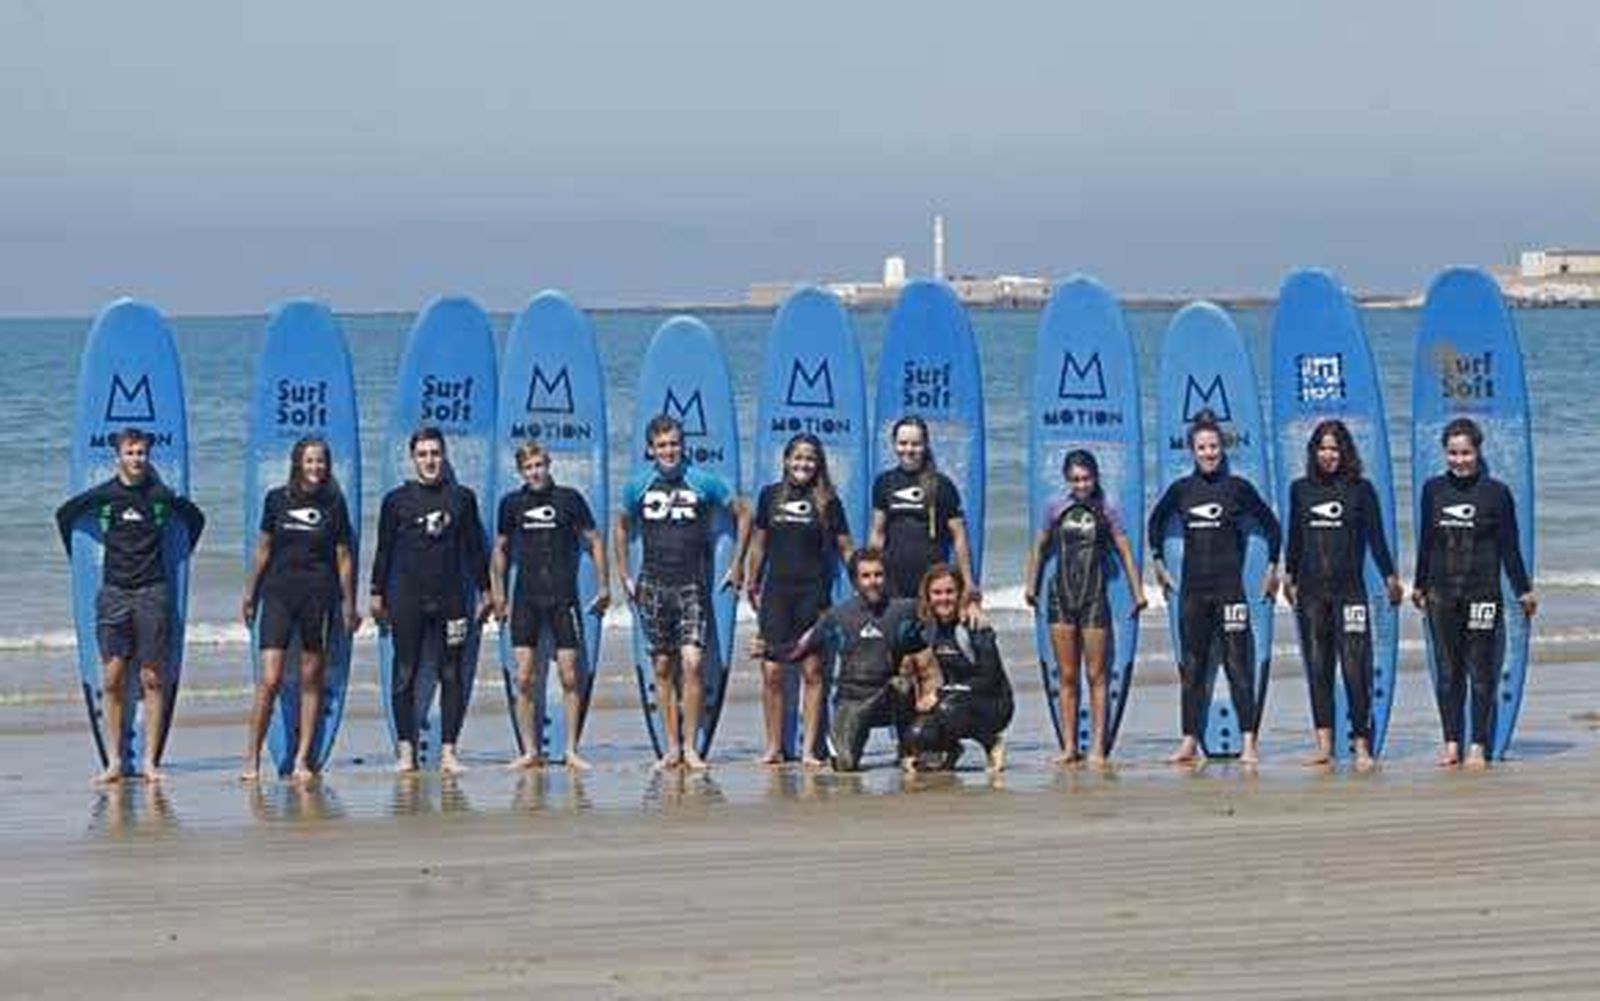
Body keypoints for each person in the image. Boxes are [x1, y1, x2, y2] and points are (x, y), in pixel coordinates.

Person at [55, 427, 205, 784]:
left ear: (147, 456)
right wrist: (76, 558)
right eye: (130, 452)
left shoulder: (159, 495)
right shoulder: (105, 495)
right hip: (114, 593)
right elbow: (65, 515)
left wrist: (183, 555)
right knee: (112, 678)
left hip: (152, 591)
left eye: (141, 453)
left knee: (152, 677)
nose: (136, 458)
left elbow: (195, 519)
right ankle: (114, 762)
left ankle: (151, 762)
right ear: (119, 456)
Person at [615, 414, 751, 772]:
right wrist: (624, 574)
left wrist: (737, 563)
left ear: (683, 445)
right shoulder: (638, 486)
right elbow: (621, 526)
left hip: (692, 585)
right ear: (651, 449)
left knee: (692, 664)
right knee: (662, 666)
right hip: (653, 584)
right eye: (662, 445)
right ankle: (671, 747)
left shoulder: (703, 481)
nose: (669, 450)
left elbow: (743, 513)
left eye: (674, 443)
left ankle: (691, 748)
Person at [1147, 410, 1281, 766]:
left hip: (1230, 592)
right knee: (1192, 668)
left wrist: (1272, 569)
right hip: (1193, 592)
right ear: (1192, 451)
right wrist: (1158, 564)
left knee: (1239, 665)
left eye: (1213, 446)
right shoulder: (1181, 490)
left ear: (1222, 448)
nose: (1209, 453)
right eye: (1202, 447)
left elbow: (1271, 525)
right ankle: (1189, 742)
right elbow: (1155, 522)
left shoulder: (1237, 489)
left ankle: (1249, 743)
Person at [1413, 417, 1536, 771]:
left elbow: (1509, 547)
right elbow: (1426, 542)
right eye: (1453, 453)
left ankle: (1478, 746)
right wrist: (1419, 584)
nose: (1459, 460)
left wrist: (1523, 590)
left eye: (1465, 453)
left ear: (1478, 452)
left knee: (1481, 672)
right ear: (1445, 453)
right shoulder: (1433, 490)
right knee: (1448, 671)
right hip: (1441, 594)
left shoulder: (1496, 493)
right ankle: (1452, 744)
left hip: (1483, 594)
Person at [369, 427, 491, 775]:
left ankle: (449, 752)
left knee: (451, 673)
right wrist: (376, 592)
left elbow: (474, 550)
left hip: (452, 600)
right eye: (422, 454)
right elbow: (384, 550)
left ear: (444, 456)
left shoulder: (462, 498)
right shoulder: (396, 501)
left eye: (435, 453)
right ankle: (406, 752)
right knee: (404, 673)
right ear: (413, 459)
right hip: (407, 599)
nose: (430, 460)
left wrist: (486, 591)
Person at [1283, 420, 1402, 771]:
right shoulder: (1300, 489)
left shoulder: (1361, 490)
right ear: (1314, 452)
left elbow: (1376, 537)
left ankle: (1362, 745)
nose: (1328, 454)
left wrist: (1390, 576)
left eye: (1334, 448)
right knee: (1318, 667)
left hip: (1351, 594)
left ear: (1345, 451)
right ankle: (1324, 745)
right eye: (1322, 448)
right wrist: (1289, 575)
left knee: (1355, 667)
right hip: (1311, 593)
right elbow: (1295, 537)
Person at [240, 437, 359, 784]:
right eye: (309, 461)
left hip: (319, 599)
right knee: (270, 679)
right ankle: (251, 758)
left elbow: (344, 557)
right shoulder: (276, 499)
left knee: (311, 679)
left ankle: (302, 759)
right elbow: (263, 549)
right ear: (297, 463)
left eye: (320, 461)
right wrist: (250, 593)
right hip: (278, 595)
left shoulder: (334, 503)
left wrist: (349, 603)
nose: (315, 467)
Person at [490, 442, 609, 771]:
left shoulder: (569, 499)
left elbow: (595, 540)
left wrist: (603, 586)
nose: (535, 472)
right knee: (524, 677)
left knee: (570, 676)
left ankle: (570, 750)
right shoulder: (511, 504)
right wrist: (498, 593)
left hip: (563, 598)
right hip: (525, 598)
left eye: (539, 465)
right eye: (528, 467)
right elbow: (500, 549)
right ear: (521, 471)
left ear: (548, 464)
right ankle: (530, 751)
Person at [1024, 449, 1147, 767]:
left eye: (1086, 478)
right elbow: (1039, 547)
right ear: (1067, 480)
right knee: (1067, 675)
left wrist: (1138, 593)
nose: (1081, 484)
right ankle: (1068, 747)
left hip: (1094, 599)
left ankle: (1096, 747)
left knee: (1096, 675)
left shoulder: (1107, 510)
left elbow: (1125, 551)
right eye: (1075, 479)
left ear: (1095, 477)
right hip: (1060, 598)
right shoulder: (1055, 508)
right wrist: (1031, 585)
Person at [744, 433, 853, 767]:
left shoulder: (828, 501)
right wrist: (751, 579)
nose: (803, 464)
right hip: (776, 594)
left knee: (813, 671)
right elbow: (759, 542)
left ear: (818, 464)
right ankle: (774, 747)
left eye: (810, 458)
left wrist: (864, 582)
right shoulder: (770, 495)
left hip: (813, 593)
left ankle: (809, 749)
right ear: (786, 460)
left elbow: (845, 547)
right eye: (798, 457)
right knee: (772, 672)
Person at [770, 548, 924, 772]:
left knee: (903, 686)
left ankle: (907, 748)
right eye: (866, 576)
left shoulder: (904, 610)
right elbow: (800, 649)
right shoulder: (838, 615)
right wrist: (770, 651)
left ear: (886, 577)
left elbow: (938, 624)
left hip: (888, 696)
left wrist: (970, 605)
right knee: (844, 765)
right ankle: (846, 740)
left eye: (878, 575)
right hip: (852, 700)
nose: (873, 582)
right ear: (855, 581)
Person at [903, 565, 1014, 773]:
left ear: (960, 593)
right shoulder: (932, 627)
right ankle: (951, 750)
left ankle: (991, 742)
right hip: (956, 699)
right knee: (917, 733)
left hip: (994, 703)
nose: (943, 598)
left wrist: (940, 693)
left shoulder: (974, 626)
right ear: (928, 596)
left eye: (949, 592)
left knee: (947, 709)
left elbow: (989, 679)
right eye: (937, 593)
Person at [868, 415, 979, 604]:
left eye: (915, 444)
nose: (908, 449)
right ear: (894, 445)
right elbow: (878, 534)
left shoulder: (942, 485)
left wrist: (968, 581)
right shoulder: (884, 482)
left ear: (925, 445)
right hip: (893, 580)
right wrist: (871, 576)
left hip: (933, 582)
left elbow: (959, 537)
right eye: (903, 443)